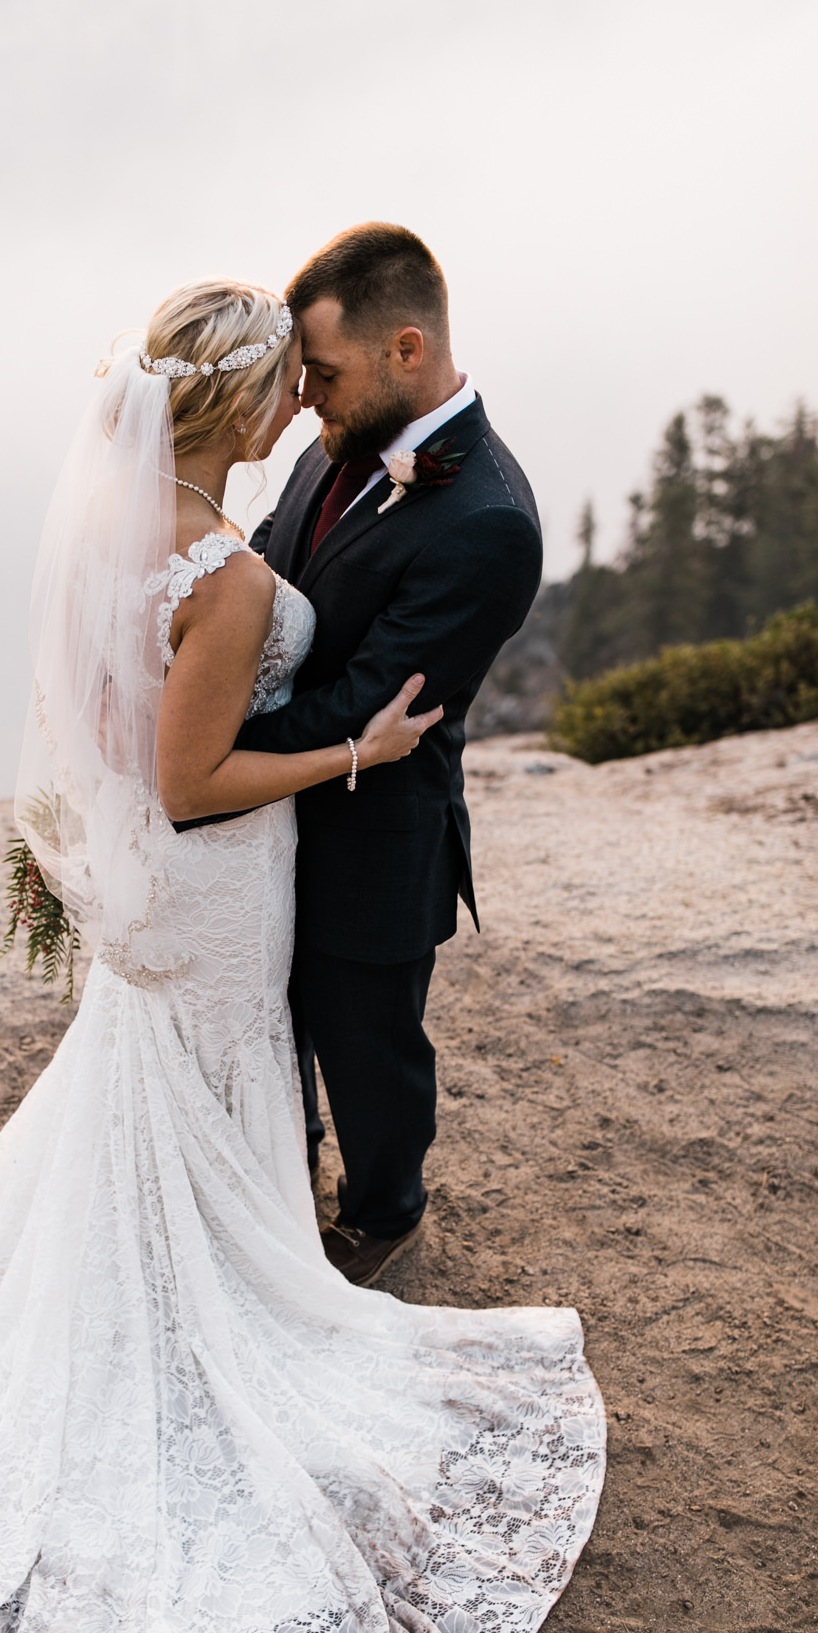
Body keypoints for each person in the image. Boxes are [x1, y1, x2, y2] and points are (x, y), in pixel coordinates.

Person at [0, 276, 603, 1633]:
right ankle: (223, 1295)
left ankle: (185, 1259)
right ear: (229, 401)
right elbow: (198, 781)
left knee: (170, 1092)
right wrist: (359, 749)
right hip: (216, 882)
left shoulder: (133, 518)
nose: (307, 402)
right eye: (290, 379)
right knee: (218, 1083)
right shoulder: (211, 561)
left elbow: (108, 711)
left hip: (173, 897)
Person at [237, 224, 544, 1288]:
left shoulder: (489, 521)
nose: (305, 400)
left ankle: (382, 1214)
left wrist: (197, 753)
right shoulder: (342, 435)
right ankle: (276, 1189)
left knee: (365, 1042)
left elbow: (376, 700)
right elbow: (272, 571)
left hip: (373, 830)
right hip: (262, 817)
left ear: (405, 350)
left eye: (320, 375)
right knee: (267, 1030)